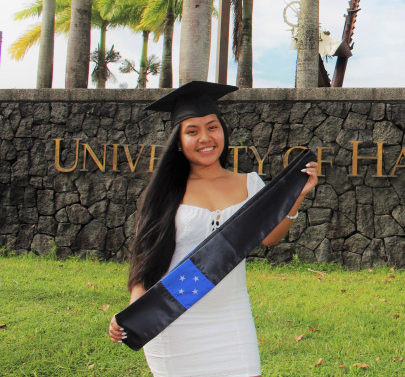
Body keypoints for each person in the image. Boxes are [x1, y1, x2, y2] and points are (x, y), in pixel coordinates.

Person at [108, 81, 317, 377]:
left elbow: (270, 238)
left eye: (212, 127)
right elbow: (146, 259)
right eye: (192, 131)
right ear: (179, 141)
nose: (205, 138)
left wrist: (297, 196)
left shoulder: (249, 183)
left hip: (231, 317)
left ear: (224, 132)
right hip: (173, 318)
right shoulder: (163, 194)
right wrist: (132, 312)